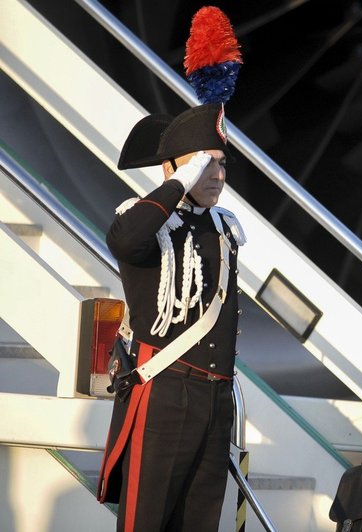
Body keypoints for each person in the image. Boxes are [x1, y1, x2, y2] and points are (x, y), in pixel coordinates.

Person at [96, 103, 246, 531]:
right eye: (203, 165)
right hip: (165, 390)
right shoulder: (144, 220)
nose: (216, 174)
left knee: (199, 520)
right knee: (146, 519)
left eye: (220, 164)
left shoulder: (223, 227)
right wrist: (180, 181)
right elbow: (127, 244)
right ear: (171, 171)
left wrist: (194, 168)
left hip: (215, 400)